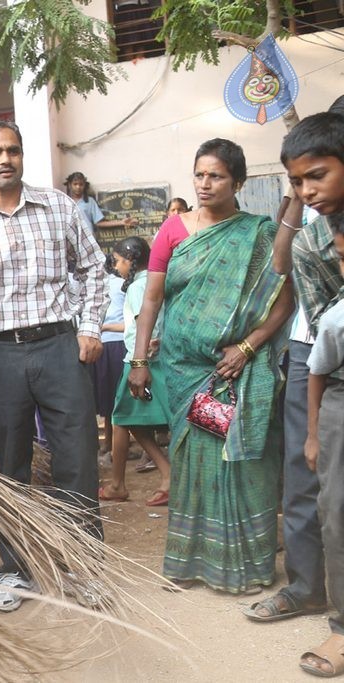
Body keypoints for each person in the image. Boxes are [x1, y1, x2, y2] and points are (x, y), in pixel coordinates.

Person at [0, 120, 108, 613]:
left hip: (60, 347)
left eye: (13, 150)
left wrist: (91, 326)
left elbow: (93, 267)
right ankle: (16, 570)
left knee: (76, 459)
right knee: (9, 466)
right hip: (0, 355)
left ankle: (85, 567)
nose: (5, 159)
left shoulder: (59, 206)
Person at [128, 138, 294, 594]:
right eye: (200, 174)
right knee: (195, 462)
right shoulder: (173, 231)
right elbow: (152, 299)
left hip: (235, 370)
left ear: (238, 181)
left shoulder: (258, 234)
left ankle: (246, 564)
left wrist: (248, 346)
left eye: (216, 175)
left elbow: (283, 299)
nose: (205, 183)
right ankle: (189, 561)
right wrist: (139, 360)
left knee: (242, 462)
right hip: (186, 371)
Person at [247, 110, 344, 626]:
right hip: (316, 354)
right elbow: (285, 266)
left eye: (315, 176)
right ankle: (308, 588)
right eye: (296, 179)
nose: (307, 187)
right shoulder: (311, 233)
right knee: (306, 476)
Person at [301, 214, 344, 678]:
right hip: (341, 406)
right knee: (337, 514)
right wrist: (314, 434)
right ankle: (343, 629)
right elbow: (318, 371)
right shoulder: (337, 315)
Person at [98, 237, 172, 506]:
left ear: (131, 260)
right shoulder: (145, 283)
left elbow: (144, 321)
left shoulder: (140, 286)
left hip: (140, 362)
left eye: (118, 261)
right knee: (127, 419)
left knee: (123, 419)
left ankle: (122, 483)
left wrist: (140, 360)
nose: (116, 267)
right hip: (143, 358)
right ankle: (163, 473)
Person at [92, 254, 126, 458]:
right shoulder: (122, 284)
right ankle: (114, 445)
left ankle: (110, 445)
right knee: (117, 396)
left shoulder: (94, 286)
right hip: (118, 342)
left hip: (101, 343)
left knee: (107, 397)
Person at [64, 171, 139, 231]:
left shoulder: (89, 202)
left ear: (84, 186)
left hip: (88, 241)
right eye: (75, 184)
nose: (78, 187)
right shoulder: (65, 201)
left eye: (81, 184)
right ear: (70, 185)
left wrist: (121, 222)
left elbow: (99, 222)